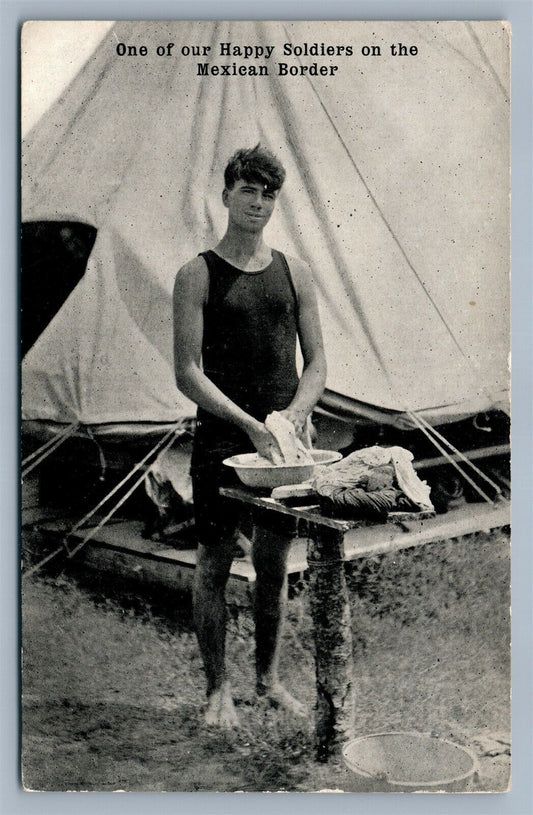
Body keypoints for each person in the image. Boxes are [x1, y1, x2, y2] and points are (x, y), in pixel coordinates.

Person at [173, 145, 327, 728]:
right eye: (248, 191)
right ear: (227, 195)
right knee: (212, 564)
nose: (258, 203)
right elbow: (187, 370)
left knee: (273, 562)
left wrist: (292, 416)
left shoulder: (296, 271)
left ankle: (267, 679)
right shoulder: (197, 273)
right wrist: (247, 423)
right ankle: (218, 690)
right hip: (222, 440)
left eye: (268, 194)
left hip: (283, 446)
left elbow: (317, 364)